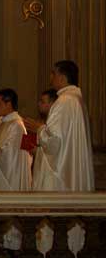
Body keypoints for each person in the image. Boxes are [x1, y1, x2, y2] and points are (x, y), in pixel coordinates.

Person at [23, 60, 94, 191]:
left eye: (53, 73)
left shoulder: (63, 101)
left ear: (62, 78)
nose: (51, 78)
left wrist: (38, 128)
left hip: (59, 178)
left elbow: (54, 142)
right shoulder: (77, 100)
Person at [0, 88, 32, 191]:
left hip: (10, 178)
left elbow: (9, 153)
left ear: (8, 104)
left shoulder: (16, 125)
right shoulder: (3, 123)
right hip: (0, 174)